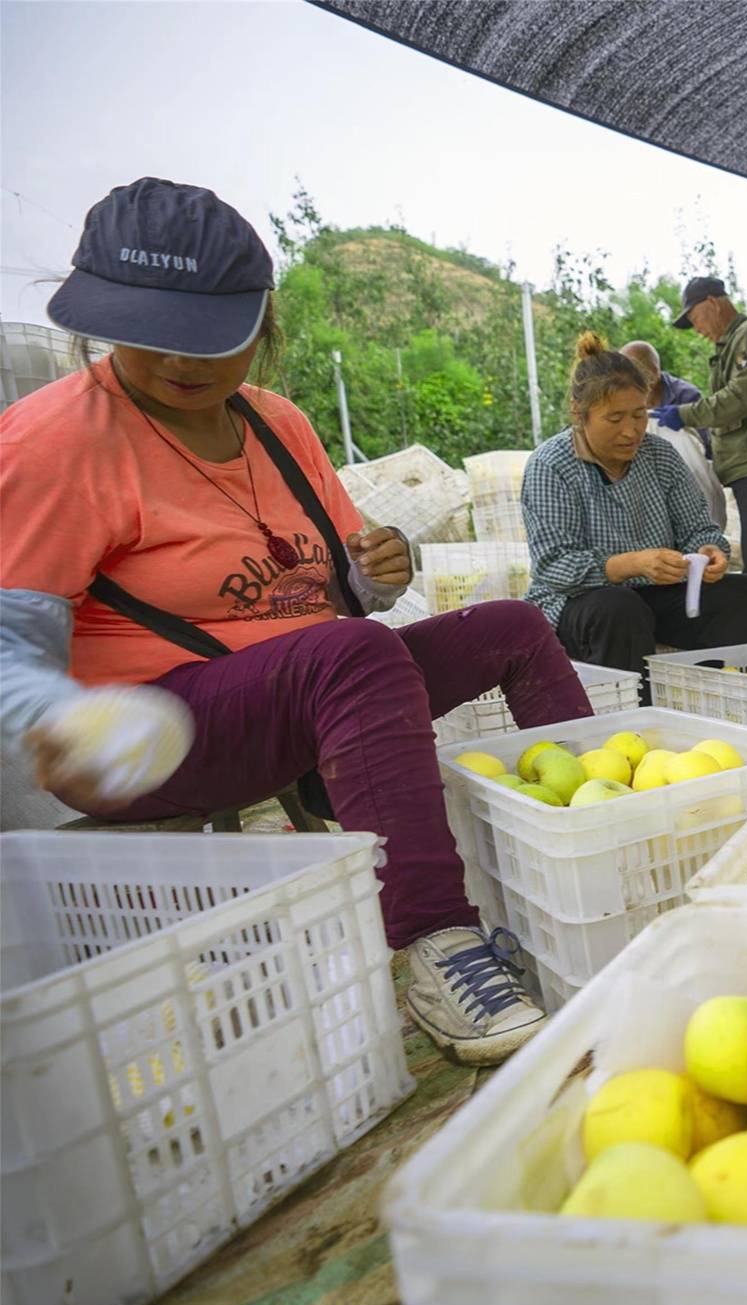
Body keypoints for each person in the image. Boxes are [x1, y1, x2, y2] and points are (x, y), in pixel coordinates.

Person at [0, 178, 589, 1064]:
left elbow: (323, 596)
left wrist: (373, 573)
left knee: (510, 624)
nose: (176, 364)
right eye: (145, 337)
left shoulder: (279, 425)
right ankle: (435, 940)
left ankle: (600, 823)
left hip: (301, 693)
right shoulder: (50, 444)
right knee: (348, 660)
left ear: (260, 324)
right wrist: (50, 716)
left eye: (206, 341)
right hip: (143, 734)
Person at [523, 332, 747, 688]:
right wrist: (630, 564)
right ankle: (632, 717)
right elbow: (554, 566)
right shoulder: (551, 465)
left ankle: (714, 693)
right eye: (615, 419)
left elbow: (698, 529)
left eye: (639, 415)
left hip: (657, 595)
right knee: (620, 608)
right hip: (579, 603)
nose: (631, 431)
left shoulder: (660, 456)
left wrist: (709, 551)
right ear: (579, 415)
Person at [654, 277, 747, 606]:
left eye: (694, 318)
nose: (696, 328)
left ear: (713, 302)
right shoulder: (734, 343)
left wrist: (685, 414)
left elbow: (741, 397)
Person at [619, 339, 727, 528]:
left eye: (632, 374)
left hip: (686, 475)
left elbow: (704, 446)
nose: (625, 380)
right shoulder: (622, 397)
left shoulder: (685, 396)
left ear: (653, 373)